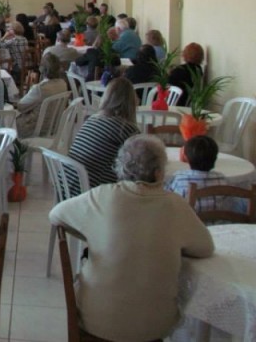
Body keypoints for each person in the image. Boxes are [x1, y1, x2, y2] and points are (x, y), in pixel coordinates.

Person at [50, 135, 214, 342]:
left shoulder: (101, 197)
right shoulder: (175, 206)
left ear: (121, 167)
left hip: (98, 323)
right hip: (153, 329)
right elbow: (205, 247)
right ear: (158, 172)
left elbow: (56, 214)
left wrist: (93, 232)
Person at [68, 77, 140, 187]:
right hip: (90, 193)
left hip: (67, 187)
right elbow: (140, 164)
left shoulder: (92, 119)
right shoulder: (126, 129)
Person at [166, 135, 229, 211]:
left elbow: (167, 197)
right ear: (215, 158)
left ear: (186, 158)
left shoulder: (180, 178)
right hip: (218, 222)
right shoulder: (221, 179)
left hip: (189, 221)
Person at [15, 53, 68, 137]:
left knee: (8, 118)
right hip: (54, 125)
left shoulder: (39, 89)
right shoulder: (63, 84)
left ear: (42, 68)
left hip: (35, 128)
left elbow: (20, 106)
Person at [167, 42, 204, 106]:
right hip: (189, 102)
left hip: (177, 101)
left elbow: (169, 84)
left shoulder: (180, 70)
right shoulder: (199, 70)